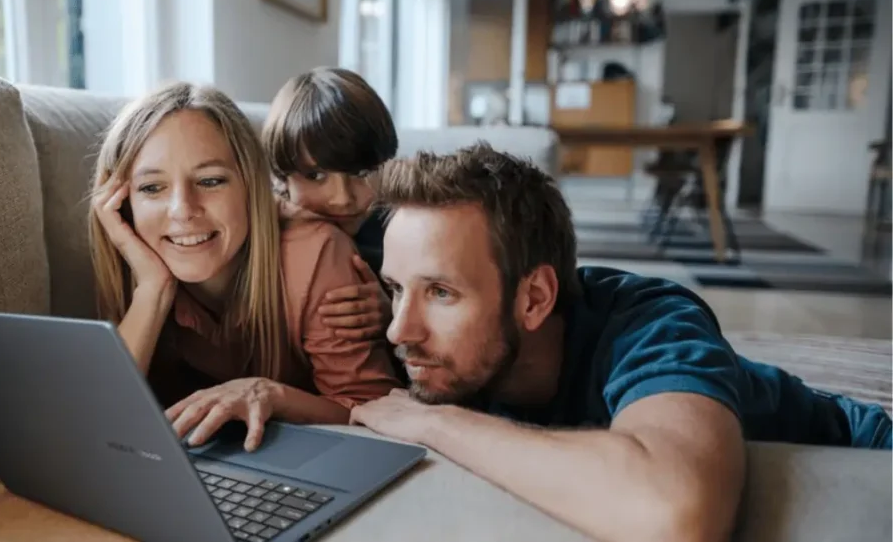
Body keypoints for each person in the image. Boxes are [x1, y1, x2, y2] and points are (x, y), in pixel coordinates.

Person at [350, 141, 892, 542]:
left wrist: (433, 421)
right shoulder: (441, 347)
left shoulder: (652, 323)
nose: (400, 330)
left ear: (535, 298)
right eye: (395, 288)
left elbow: (675, 513)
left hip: (856, 462)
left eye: (441, 292)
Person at [88, 81, 400, 452]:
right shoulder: (136, 259)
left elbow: (378, 417)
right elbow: (96, 432)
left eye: (210, 181)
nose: (183, 210)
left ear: (252, 186)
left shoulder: (319, 252)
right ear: (124, 204)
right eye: (152, 188)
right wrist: (152, 292)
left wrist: (271, 395)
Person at [262, 67, 399, 343]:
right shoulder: (261, 237)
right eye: (315, 176)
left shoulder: (401, 234)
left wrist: (395, 315)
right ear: (282, 179)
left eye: (361, 174)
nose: (342, 197)